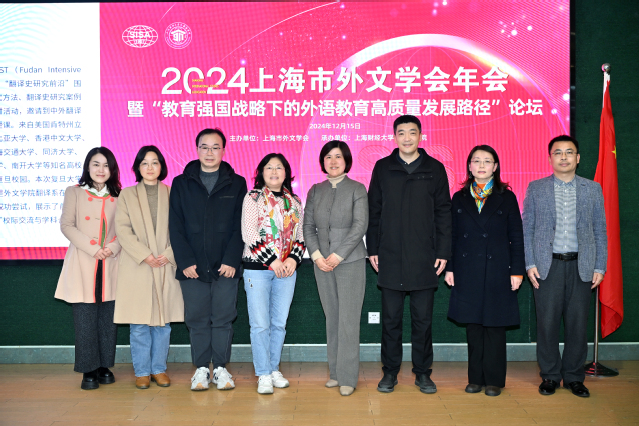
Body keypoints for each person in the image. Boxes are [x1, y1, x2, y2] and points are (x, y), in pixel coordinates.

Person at [367, 115, 452, 394]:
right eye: (401, 133)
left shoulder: (435, 168)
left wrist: (443, 250)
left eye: (412, 132)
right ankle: (390, 372)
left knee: (422, 321)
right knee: (390, 321)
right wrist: (373, 249)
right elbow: (374, 211)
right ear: (394, 137)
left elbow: (443, 212)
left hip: (424, 257)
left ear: (420, 136)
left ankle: (423, 373)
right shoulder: (383, 168)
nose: (406, 138)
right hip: (389, 256)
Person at [523, 135, 607, 398]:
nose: (563, 157)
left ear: (577, 158)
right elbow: (527, 228)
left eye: (569, 152)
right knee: (546, 324)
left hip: (582, 266)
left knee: (577, 325)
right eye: (557, 152)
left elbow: (600, 230)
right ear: (550, 158)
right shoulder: (536, 188)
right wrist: (530, 263)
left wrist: (600, 266)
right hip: (547, 267)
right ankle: (550, 375)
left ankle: (573, 377)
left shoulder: (592, 189)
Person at [169, 128, 247, 391]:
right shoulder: (181, 183)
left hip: (226, 265)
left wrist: (232, 259)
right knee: (197, 319)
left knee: (223, 318)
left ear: (224, 150)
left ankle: (221, 368)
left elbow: (240, 225)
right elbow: (175, 226)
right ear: (197, 149)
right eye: (205, 147)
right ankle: (202, 369)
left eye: (215, 147)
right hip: (192, 266)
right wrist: (185, 261)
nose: (210, 152)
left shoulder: (237, 183)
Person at [444, 145, 525, 397]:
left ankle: (494, 380)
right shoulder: (459, 198)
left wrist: (517, 271)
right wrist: (450, 268)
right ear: (469, 166)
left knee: (495, 326)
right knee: (474, 326)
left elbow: (516, 236)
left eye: (487, 161)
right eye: (476, 160)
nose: (481, 165)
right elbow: (452, 236)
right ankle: (475, 379)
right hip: (467, 270)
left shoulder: (506, 197)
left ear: (495, 167)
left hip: (498, 269)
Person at [114, 145, 184, 389]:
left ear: (162, 166)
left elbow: (182, 227)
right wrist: (145, 255)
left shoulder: (172, 193)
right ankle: (142, 372)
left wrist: (169, 253)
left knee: (163, 323)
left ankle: (158, 369)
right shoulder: (127, 195)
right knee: (139, 322)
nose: (150, 167)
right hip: (138, 265)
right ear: (137, 167)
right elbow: (122, 230)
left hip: (165, 262)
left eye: (155, 162)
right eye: (144, 163)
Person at [304, 141, 369, 396]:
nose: (333, 161)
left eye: (338, 156)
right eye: (328, 157)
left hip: (350, 261)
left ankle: (348, 377)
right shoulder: (315, 190)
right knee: (332, 317)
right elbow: (308, 226)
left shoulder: (357, 188)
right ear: (322, 161)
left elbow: (360, 225)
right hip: (321, 262)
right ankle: (335, 373)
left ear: (347, 160)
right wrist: (317, 255)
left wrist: (339, 255)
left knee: (348, 320)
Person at [55, 147, 122, 390]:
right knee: (84, 320)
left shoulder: (120, 196)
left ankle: (104, 366)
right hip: (84, 261)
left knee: (108, 320)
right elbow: (67, 225)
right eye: (96, 164)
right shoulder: (74, 192)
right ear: (88, 167)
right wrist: (94, 248)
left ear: (112, 169)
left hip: (111, 262)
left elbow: (126, 229)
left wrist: (112, 247)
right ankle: (88, 369)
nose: (101, 170)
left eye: (106, 165)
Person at [241, 153, 305, 394]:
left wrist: (292, 259)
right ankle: (263, 374)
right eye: (269, 167)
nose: (274, 171)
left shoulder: (294, 201)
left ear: (286, 172)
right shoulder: (253, 197)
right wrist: (273, 261)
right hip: (257, 269)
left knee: (279, 324)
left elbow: (301, 235)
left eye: (279, 167)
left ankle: (273, 368)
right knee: (260, 325)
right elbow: (249, 234)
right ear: (261, 172)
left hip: (287, 270)